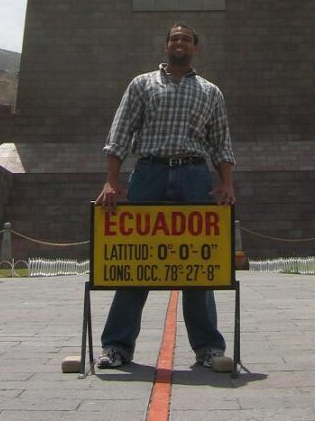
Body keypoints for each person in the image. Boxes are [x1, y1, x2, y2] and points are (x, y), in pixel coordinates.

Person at [95, 22, 236, 369]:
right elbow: (120, 132)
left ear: (195, 48)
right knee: (133, 263)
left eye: (186, 39)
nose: (179, 43)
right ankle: (117, 346)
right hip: (150, 172)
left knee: (200, 266)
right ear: (166, 45)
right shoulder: (142, 84)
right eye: (174, 38)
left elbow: (221, 141)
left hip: (194, 175)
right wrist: (112, 181)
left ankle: (208, 348)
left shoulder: (210, 91)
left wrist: (226, 183)